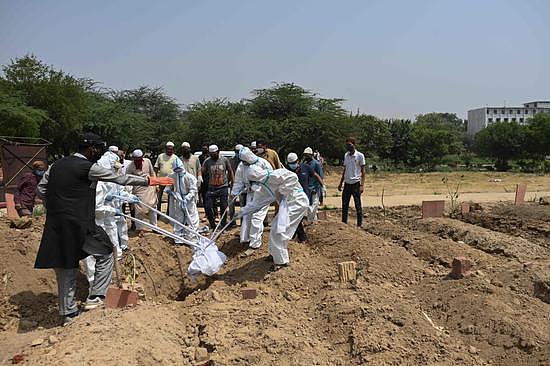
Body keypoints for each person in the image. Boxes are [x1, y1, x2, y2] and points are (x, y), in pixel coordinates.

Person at [34, 133, 171, 325]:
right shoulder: (87, 168)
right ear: (92, 149)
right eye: (99, 150)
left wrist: (58, 207)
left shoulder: (56, 166)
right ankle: (95, 297)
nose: (100, 154)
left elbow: (42, 189)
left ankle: (68, 314)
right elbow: (119, 178)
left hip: (56, 226)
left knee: (66, 266)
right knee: (106, 252)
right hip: (80, 225)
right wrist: (149, 181)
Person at [237, 148, 308, 270]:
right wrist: (241, 212)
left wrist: (282, 191)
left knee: (279, 231)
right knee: (275, 227)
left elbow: (293, 178)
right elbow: (256, 204)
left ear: (258, 176)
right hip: (288, 204)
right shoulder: (263, 188)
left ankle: (281, 262)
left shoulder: (275, 175)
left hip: (297, 201)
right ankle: (274, 254)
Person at [231, 147, 272, 256]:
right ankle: (246, 238)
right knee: (247, 216)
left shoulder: (264, 163)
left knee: (257, 218)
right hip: (251, 194)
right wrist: (234, 193)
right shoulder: (242, 165)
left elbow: (271, 178)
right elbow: (238, 180)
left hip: (263, 195)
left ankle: (254, 244)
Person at [287, 152, 322, 242]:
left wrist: (322, 185)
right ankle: (299, 237)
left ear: (298, 161)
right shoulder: (288, 171)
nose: (292, 165)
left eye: (294, 163)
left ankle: (297, 237)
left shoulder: (305, 167)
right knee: (296, 218)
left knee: (298, 218)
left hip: (303, 197)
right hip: (292, 198)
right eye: (290, 164)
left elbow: (316, 175)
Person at [165, 157, 199, 244]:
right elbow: (168, 185)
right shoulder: (173, 175)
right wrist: (170, 191)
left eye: (179, 169)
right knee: (179, 218)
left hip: (188, 201)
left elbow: (193, 190)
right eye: (176, 170)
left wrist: (187, 198)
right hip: (179, 199)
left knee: (192, 219)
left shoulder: (190, 177)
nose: (178, 171)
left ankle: (193, 237)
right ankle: (179, 238)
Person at [126, 149, 158, 236]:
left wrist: (156, 185)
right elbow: (127, 178)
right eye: (136, 159)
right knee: (139, 210)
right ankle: (140, 228)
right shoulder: (130, 166)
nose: (138, 161)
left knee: (152, 208)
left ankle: (154, 227)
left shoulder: (147, 161)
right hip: (138, 190)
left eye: (139, 159)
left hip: (150, 188)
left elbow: (152, 173)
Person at [201, 145, 234, 230]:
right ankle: (212, 225)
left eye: (214, 154)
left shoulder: (224, 160)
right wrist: (199, 177)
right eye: (211, 154)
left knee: (223, 207)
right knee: (208, 207)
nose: (212, 156)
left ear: (218, 152)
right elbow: (202, 171)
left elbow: (230, 171)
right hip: (211, 187)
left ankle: (223, 225)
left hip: (223, 187)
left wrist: (232, 182)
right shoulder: (207, 161)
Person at [338, 137, 365, 227]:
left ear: (354, 144)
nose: (348, 146)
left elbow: (363, 172)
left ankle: (359, 225)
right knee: (345, 204)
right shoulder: (346, 155)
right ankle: (344, 223)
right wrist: (341, 182)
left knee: (358, 205)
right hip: (347, 183)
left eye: (349, 145)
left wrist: (362, 185)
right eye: (347, 145)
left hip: (356, 183)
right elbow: (345, 169)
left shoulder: (360, 156)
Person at [154, 142, 177, 214]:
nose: (169, 150)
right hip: (161, 180)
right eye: (168, 149)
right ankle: (158, 213)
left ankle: (169, 213)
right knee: (158, 197)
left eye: (171, 149)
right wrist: (155, 180)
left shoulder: (175, 157)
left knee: (170, 198)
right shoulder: (160, 156)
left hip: (171, 181)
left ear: (173, 149)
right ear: (166, 149)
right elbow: (156, 168)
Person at [302, 147, 324, 222]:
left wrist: (319, 187)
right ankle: (311, 222)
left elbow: (320, 177)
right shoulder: (304, 164)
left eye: (307, 155)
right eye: (305, 155)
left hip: (314, 188)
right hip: (307, 189)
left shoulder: (316, 164)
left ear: (311, 155)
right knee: (308, 207)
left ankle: (313, 222)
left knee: (313, 207)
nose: (306, 157)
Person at [228, 144, 244, 225]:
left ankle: (242, 221)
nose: (237, 153)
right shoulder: (231, 160)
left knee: (242, 204)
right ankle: (232, 220)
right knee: (231, 203)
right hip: (233, 184)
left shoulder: (245, 161)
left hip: (243, 185)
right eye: (236, 151)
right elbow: (229, 172)